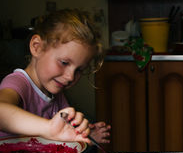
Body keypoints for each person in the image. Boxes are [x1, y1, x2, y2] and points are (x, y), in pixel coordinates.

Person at [0, 9, 110, 145]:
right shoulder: (18, 82)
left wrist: (85, 134)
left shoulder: (57, 94)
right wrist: (49, 128)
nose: (70, 77)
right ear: (37, 47)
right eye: (64, 62)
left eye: (79, 70)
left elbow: (62, 133)